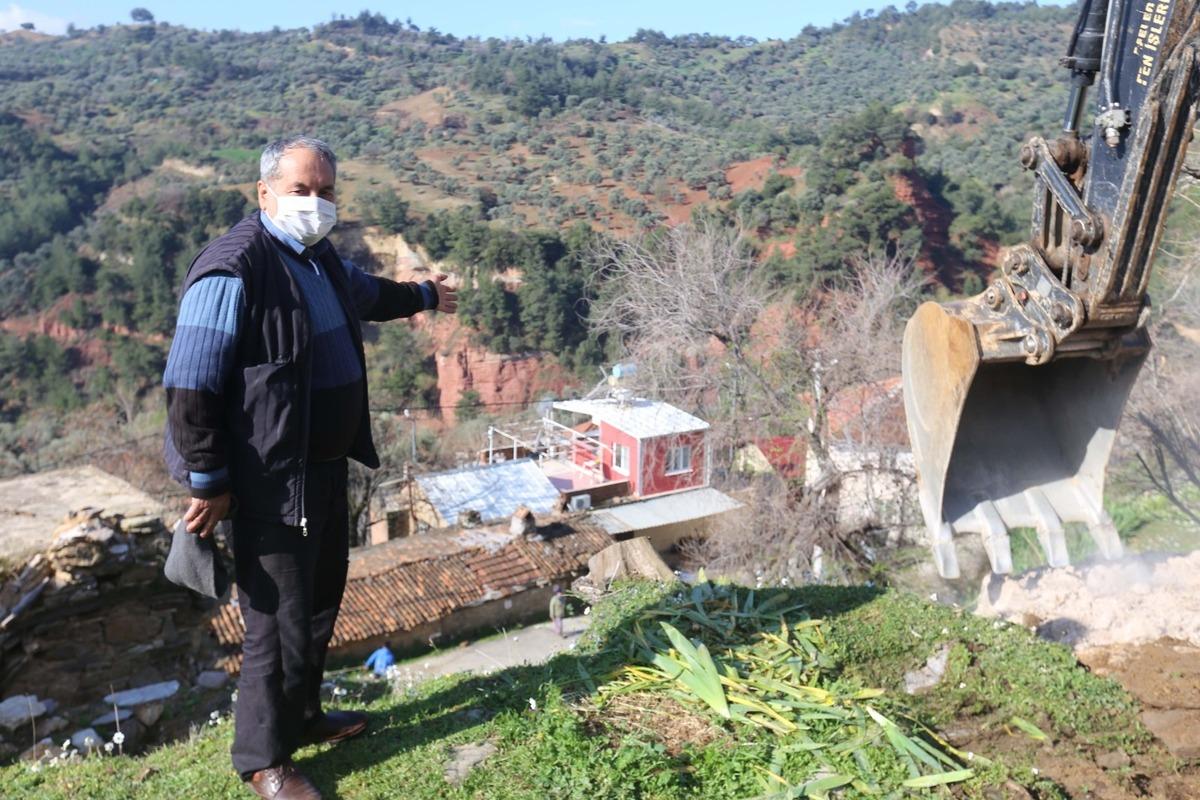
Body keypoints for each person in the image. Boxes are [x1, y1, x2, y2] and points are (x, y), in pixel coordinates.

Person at [163, 136, 456, 800]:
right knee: (275, 620)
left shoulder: (316, 256)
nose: (316, 203)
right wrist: (207, 481)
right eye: (302, 191)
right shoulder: (235, 268)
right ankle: (264, 762)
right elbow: (189, 385)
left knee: (319, 604)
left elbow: (368, 295)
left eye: (327, 192)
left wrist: (425, 296)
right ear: (264, 193)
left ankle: (305, 715)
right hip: (271, 481)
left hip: (322, 466)